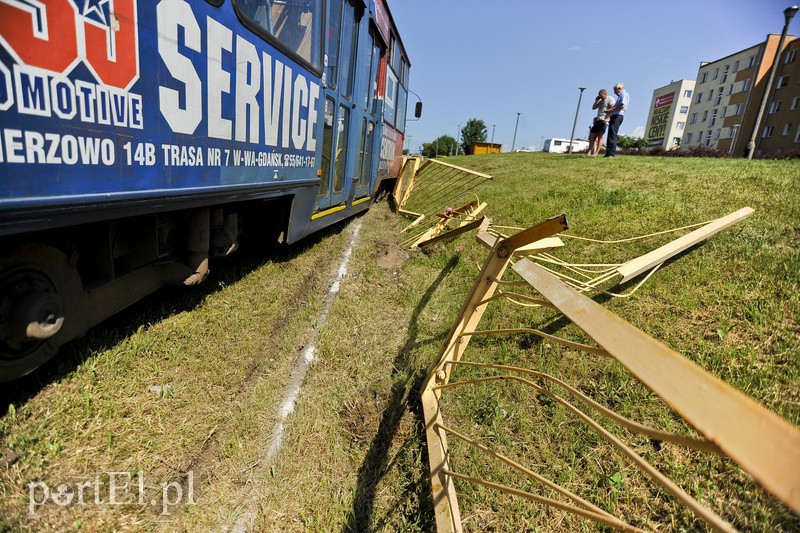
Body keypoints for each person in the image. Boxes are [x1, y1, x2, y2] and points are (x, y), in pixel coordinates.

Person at [587, 89, 616, 156]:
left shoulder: (610, 99)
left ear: (605, 94)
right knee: (592, 135)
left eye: (601, 96)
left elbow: (613, 108)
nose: (600, 97)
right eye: (599, 96)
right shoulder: (600, 101)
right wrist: (596, 100)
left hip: (604, 120)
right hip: (598, 120)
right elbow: (593, 107)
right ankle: (589, 151)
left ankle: (596, 152)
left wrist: (608, 118)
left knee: (600, 136)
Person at [604, 82, 629, 158]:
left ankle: (611, 153)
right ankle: (608, 153)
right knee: (611, 134)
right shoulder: (621, 95)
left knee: (613, 134)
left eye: (615, 90)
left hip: (618, 116)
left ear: (619, 89)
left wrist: (611, 110)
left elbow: (622, 106)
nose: (614, 92)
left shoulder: (624, 94)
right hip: (616, 116)